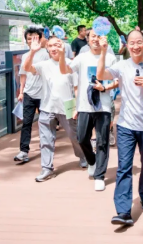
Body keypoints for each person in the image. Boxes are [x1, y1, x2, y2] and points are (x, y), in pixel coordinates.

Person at [98, 31, 143, 226]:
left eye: (139, 42)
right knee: (124, 167)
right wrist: (103, 52)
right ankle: (123, 212)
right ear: (127, 45)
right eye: (132, 43)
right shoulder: (122, 65)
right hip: (126, 125)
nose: (135, 46)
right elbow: (101, 75)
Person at [59, 29, 118, 191]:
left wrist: (104, 88)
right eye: (93, 36)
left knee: (102, 141)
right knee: (82, 137)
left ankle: (100, 176)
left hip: (103, 106)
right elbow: (64, 70)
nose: (96, 39)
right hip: (84, 105)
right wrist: (62, 55)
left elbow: (117, 81)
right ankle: (92, 161)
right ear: (88, 39)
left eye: (99, 36)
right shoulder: (82, 57)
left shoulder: (110, 58)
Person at [23, 36, 86, 182]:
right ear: (47, 48)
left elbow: (76, 88)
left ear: (63, 46)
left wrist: (77, 107)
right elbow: (27, 68)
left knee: (74, 136)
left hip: (67, 107)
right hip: (47, 107)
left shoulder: (70, 64)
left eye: (57, 45)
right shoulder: (44, 65)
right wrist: (32, 52)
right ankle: (47, 168)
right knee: (45, 140)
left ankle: (83, 156)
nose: (53, 48)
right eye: (50, 46)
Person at [14, 26, 50, 163]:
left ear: (40, 39)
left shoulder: (46, 53)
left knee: (45, 122)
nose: (31, 41)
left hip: (43, 94)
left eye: (34, 38)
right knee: (26, 123)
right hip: (29, 93)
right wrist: (21, 92)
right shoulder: (25, 56)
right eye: (29, 38)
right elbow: (23, 75)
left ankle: (46, 147)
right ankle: (23, 151)